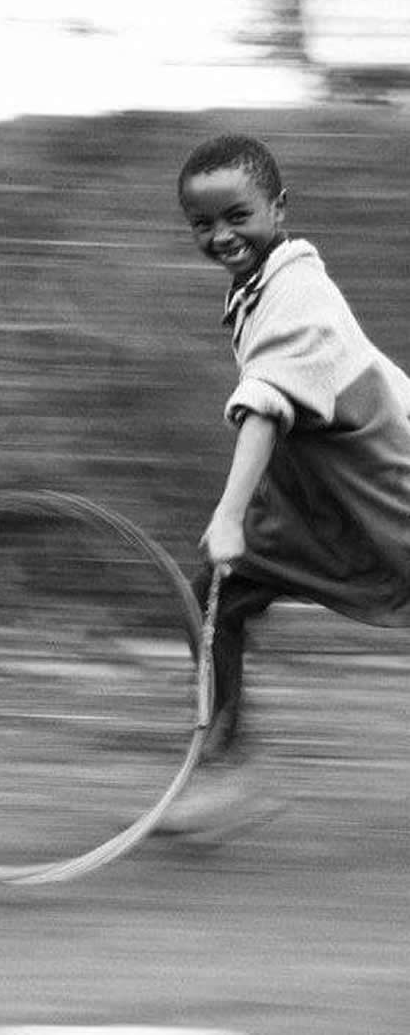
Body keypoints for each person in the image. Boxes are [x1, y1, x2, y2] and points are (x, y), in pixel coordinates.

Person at [159, 133, 410, 834]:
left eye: (237, 215)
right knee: (218, 587)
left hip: (393, 502)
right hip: (337, 509)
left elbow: (265, 406)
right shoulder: (259, 291)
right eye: (202, 224)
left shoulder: (296, 293)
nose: (220, 235)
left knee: (221, 564)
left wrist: (232, 512)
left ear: (279, 208)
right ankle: (225, 771)